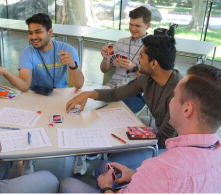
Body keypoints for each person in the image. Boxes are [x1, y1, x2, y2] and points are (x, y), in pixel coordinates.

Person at [60, 64, 221, 193]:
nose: (171, 101)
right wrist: (134, 174)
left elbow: (162, 176)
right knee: (105, 167)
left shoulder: (159, 169)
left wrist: (107, 187)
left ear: (187, 109)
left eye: (175, 96)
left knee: (67, 184)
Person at [0, 13, 85, 176]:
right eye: (30, 33)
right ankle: (28, 158)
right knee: (27, 125)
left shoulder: (67, 50)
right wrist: (5, 72)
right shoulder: (27, 53)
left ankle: (79, 155)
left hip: (61, 95)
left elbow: (79, 84)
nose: (33, 37)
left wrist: (73, 65)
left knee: (76, 121)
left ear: (50, 33)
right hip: (35, 96)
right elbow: (25, 85)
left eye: (38, 32)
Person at [67, 35, 183, 170]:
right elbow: (116, 94)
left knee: (105, 168)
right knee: (115, 135)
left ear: (153, 64)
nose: (138, 60)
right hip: (159, 133)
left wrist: (127, 138)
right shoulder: (148, 78)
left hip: (173, 147)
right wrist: (89, 94)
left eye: (141, 57)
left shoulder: (179, 93)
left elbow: (164, 140)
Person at [100, 6, 151, 113]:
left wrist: (134, 68)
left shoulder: (152, 47)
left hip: (133, 93)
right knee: (94, 109)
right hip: (112, 87)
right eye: (131, 24)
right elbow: (104, 70)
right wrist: (105, 59)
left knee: (114, 115)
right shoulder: (121, 42)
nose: (132, 28)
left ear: (148, 26)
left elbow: (150, 81)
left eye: (137, 25)